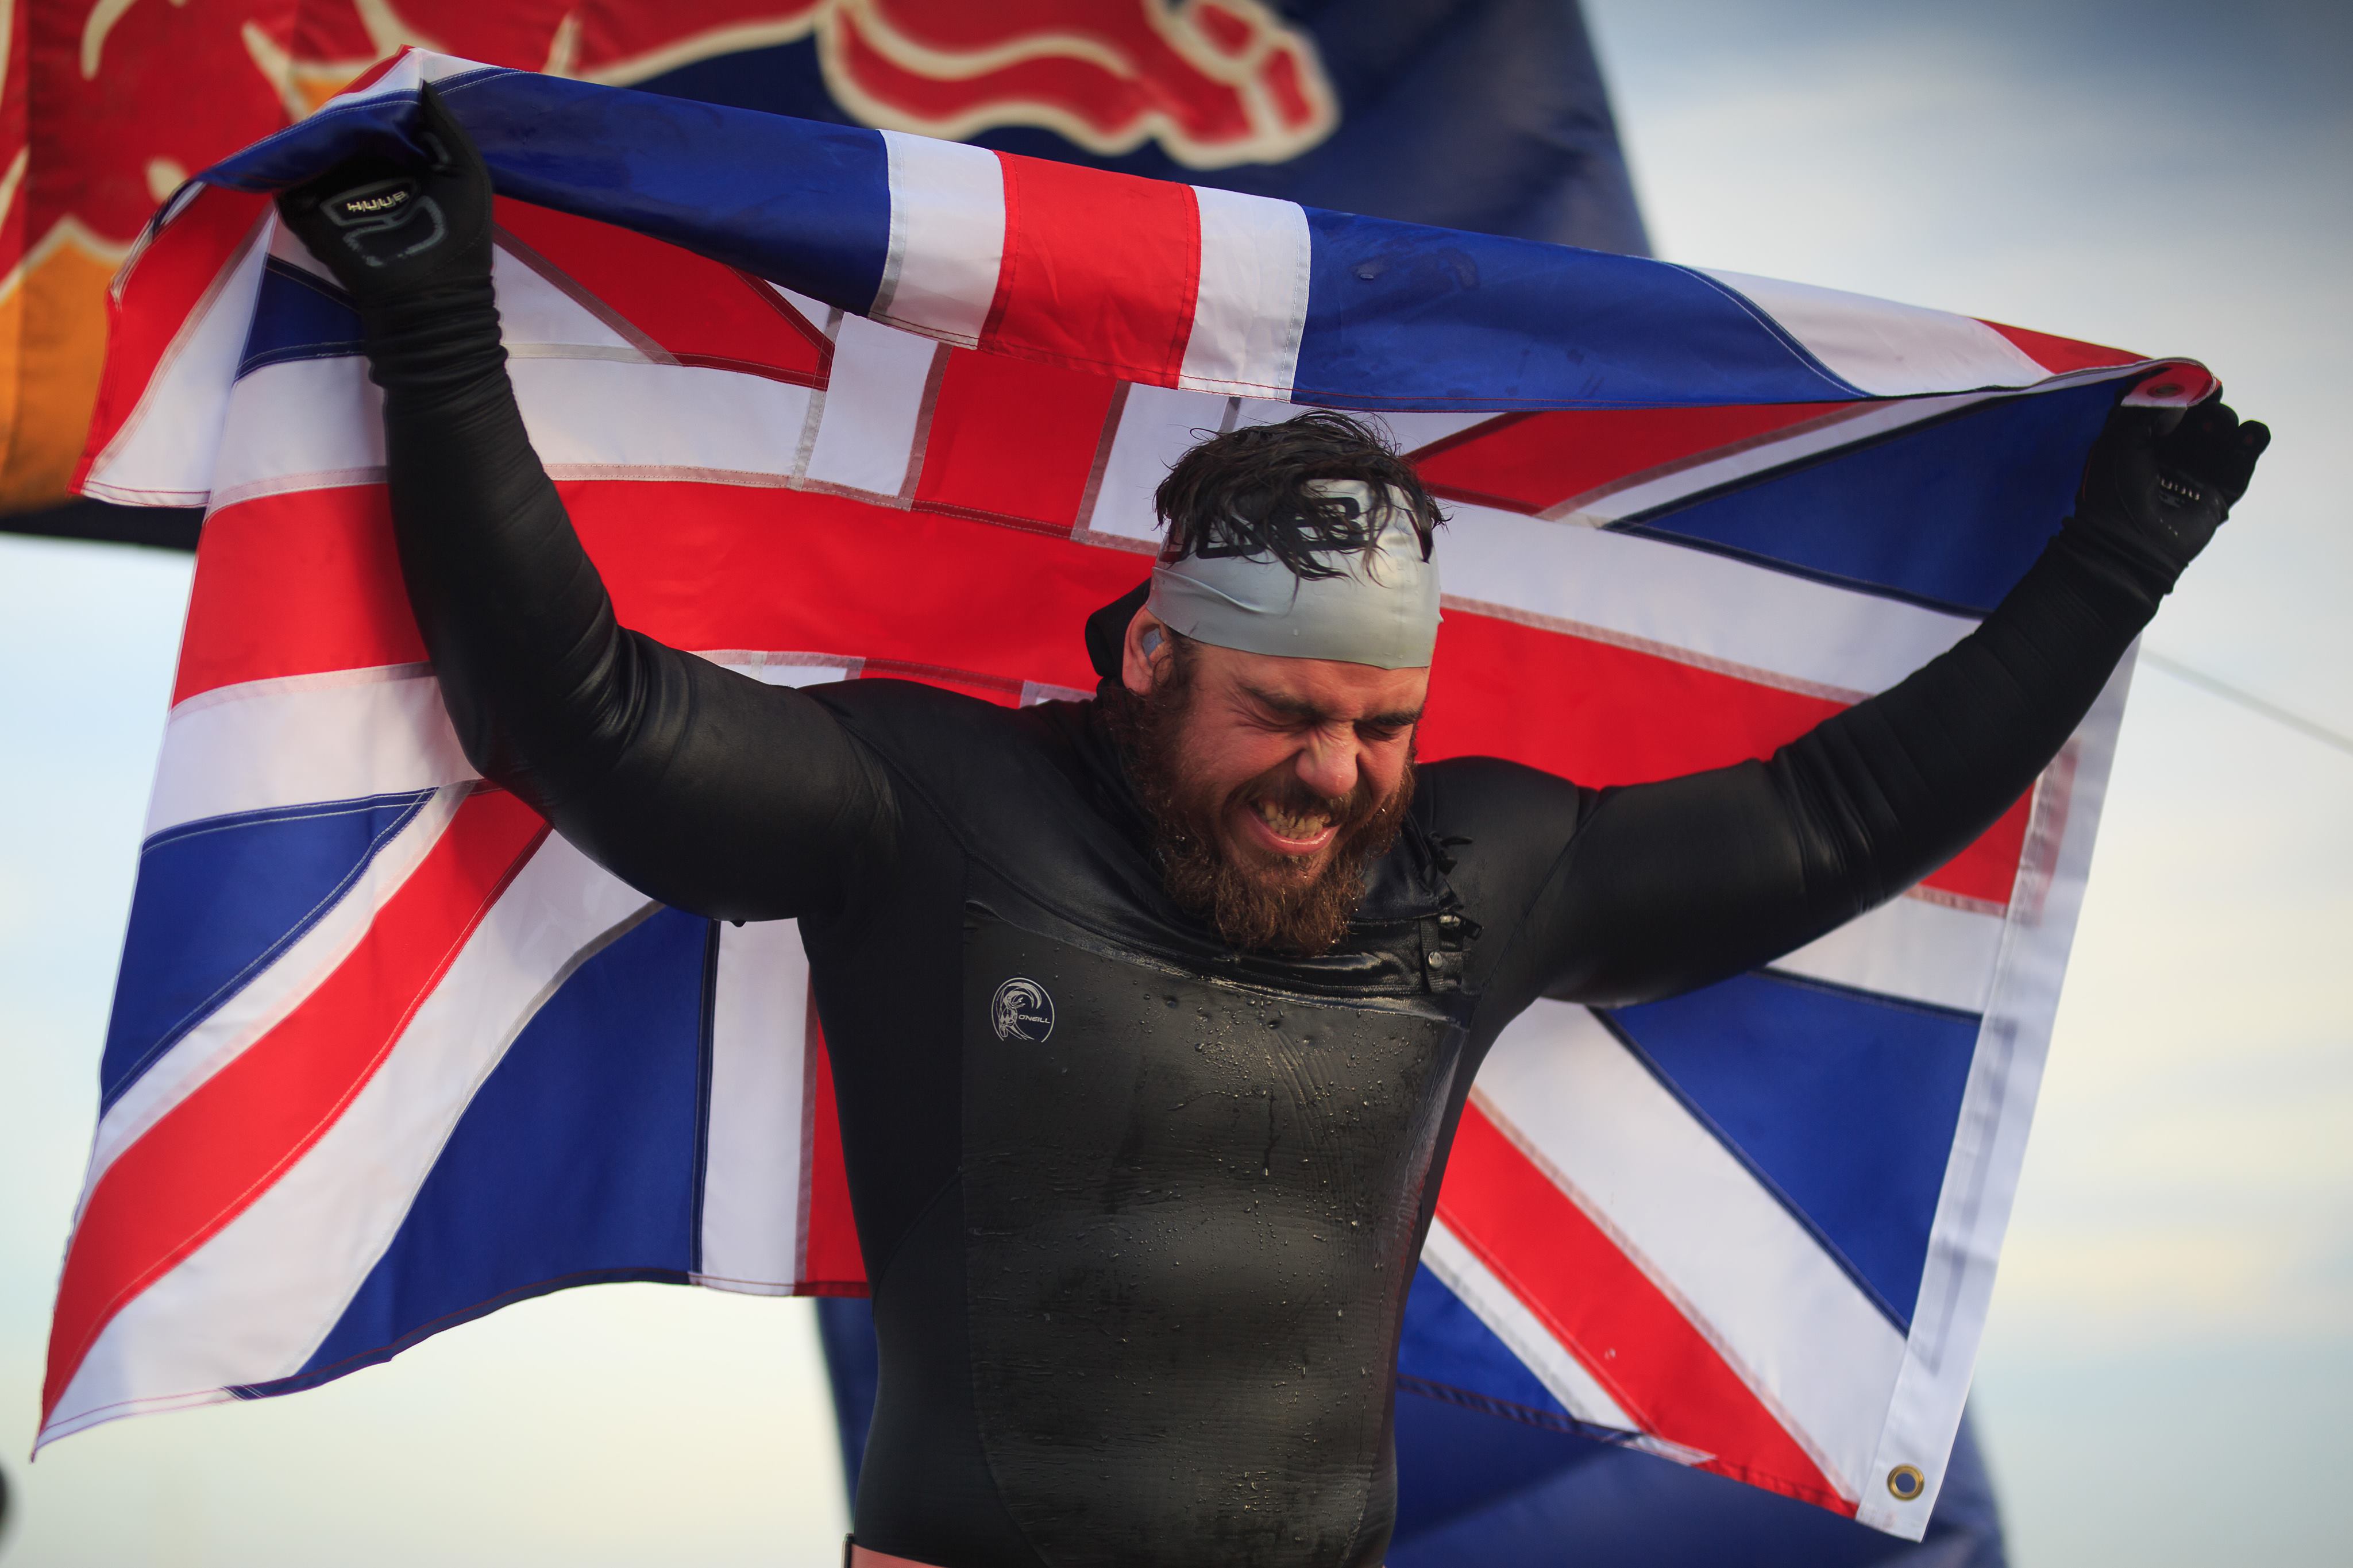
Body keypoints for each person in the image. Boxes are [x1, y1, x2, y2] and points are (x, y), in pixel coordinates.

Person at [277, 89, 2266, 1568]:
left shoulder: (1476, 882)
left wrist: (2122, 555)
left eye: (1383, 725)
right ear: (1148, 655)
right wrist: (436, 320)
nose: (1335, 773)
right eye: (1286, 714)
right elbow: (582, 713)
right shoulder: (938, 817)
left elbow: (1842, 814)